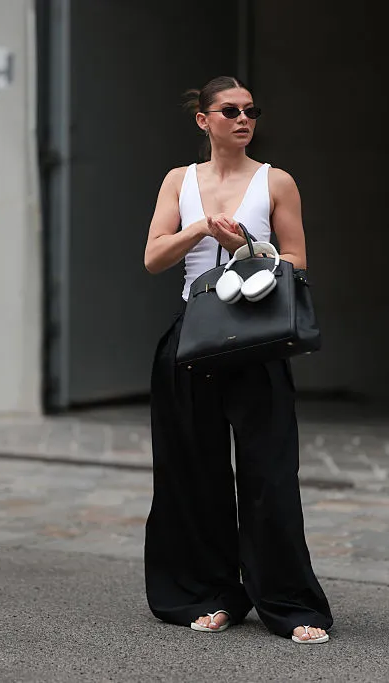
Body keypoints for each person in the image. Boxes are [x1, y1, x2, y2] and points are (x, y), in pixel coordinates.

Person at [142, 76, 333, 644]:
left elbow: (296, 261)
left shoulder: (277, 182)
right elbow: (154, 256)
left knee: (269, 474)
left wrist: (250, 248)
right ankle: (209, 594)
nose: (243, 119)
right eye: (230, 111)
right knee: (192, 473)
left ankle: (289, 603)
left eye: (251, 110)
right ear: (204, 120)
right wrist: (201, 228)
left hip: (256, 340)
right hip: (192, 339)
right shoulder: (180, 181)